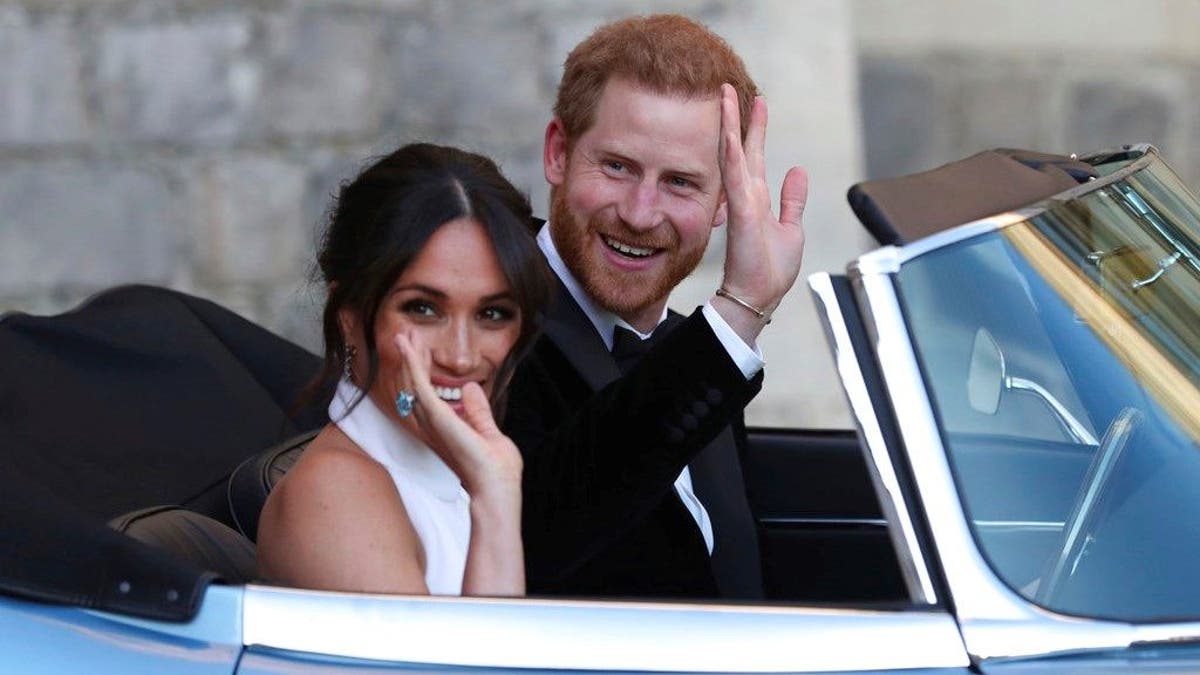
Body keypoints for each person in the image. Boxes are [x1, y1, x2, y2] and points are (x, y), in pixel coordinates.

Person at [503, 14, 808, 599]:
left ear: (725, 202)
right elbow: (535, 539)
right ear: (558, 154)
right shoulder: (486, 324)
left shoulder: (691, 349)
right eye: (617, 167)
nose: (641, 214)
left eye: (680, 183)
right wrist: (741, 310)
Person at [257, 143, 551, 596]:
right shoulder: (336, 493)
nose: (460, 356)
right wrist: (495, 498)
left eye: (492, 314)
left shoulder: (445, 474)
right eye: (423, 309)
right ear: (350, 317)